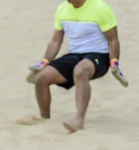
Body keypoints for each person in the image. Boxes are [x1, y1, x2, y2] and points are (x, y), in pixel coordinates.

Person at [21, 0, 128, 133]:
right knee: (42, 78)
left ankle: (79, 119)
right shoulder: (62, 9)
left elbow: (113, 40)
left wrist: (114, 63)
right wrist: (44, 62)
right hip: (75, 54)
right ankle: (44, 118)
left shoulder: (101, 8)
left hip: (99, 55)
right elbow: (55, 41)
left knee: (80, 71)